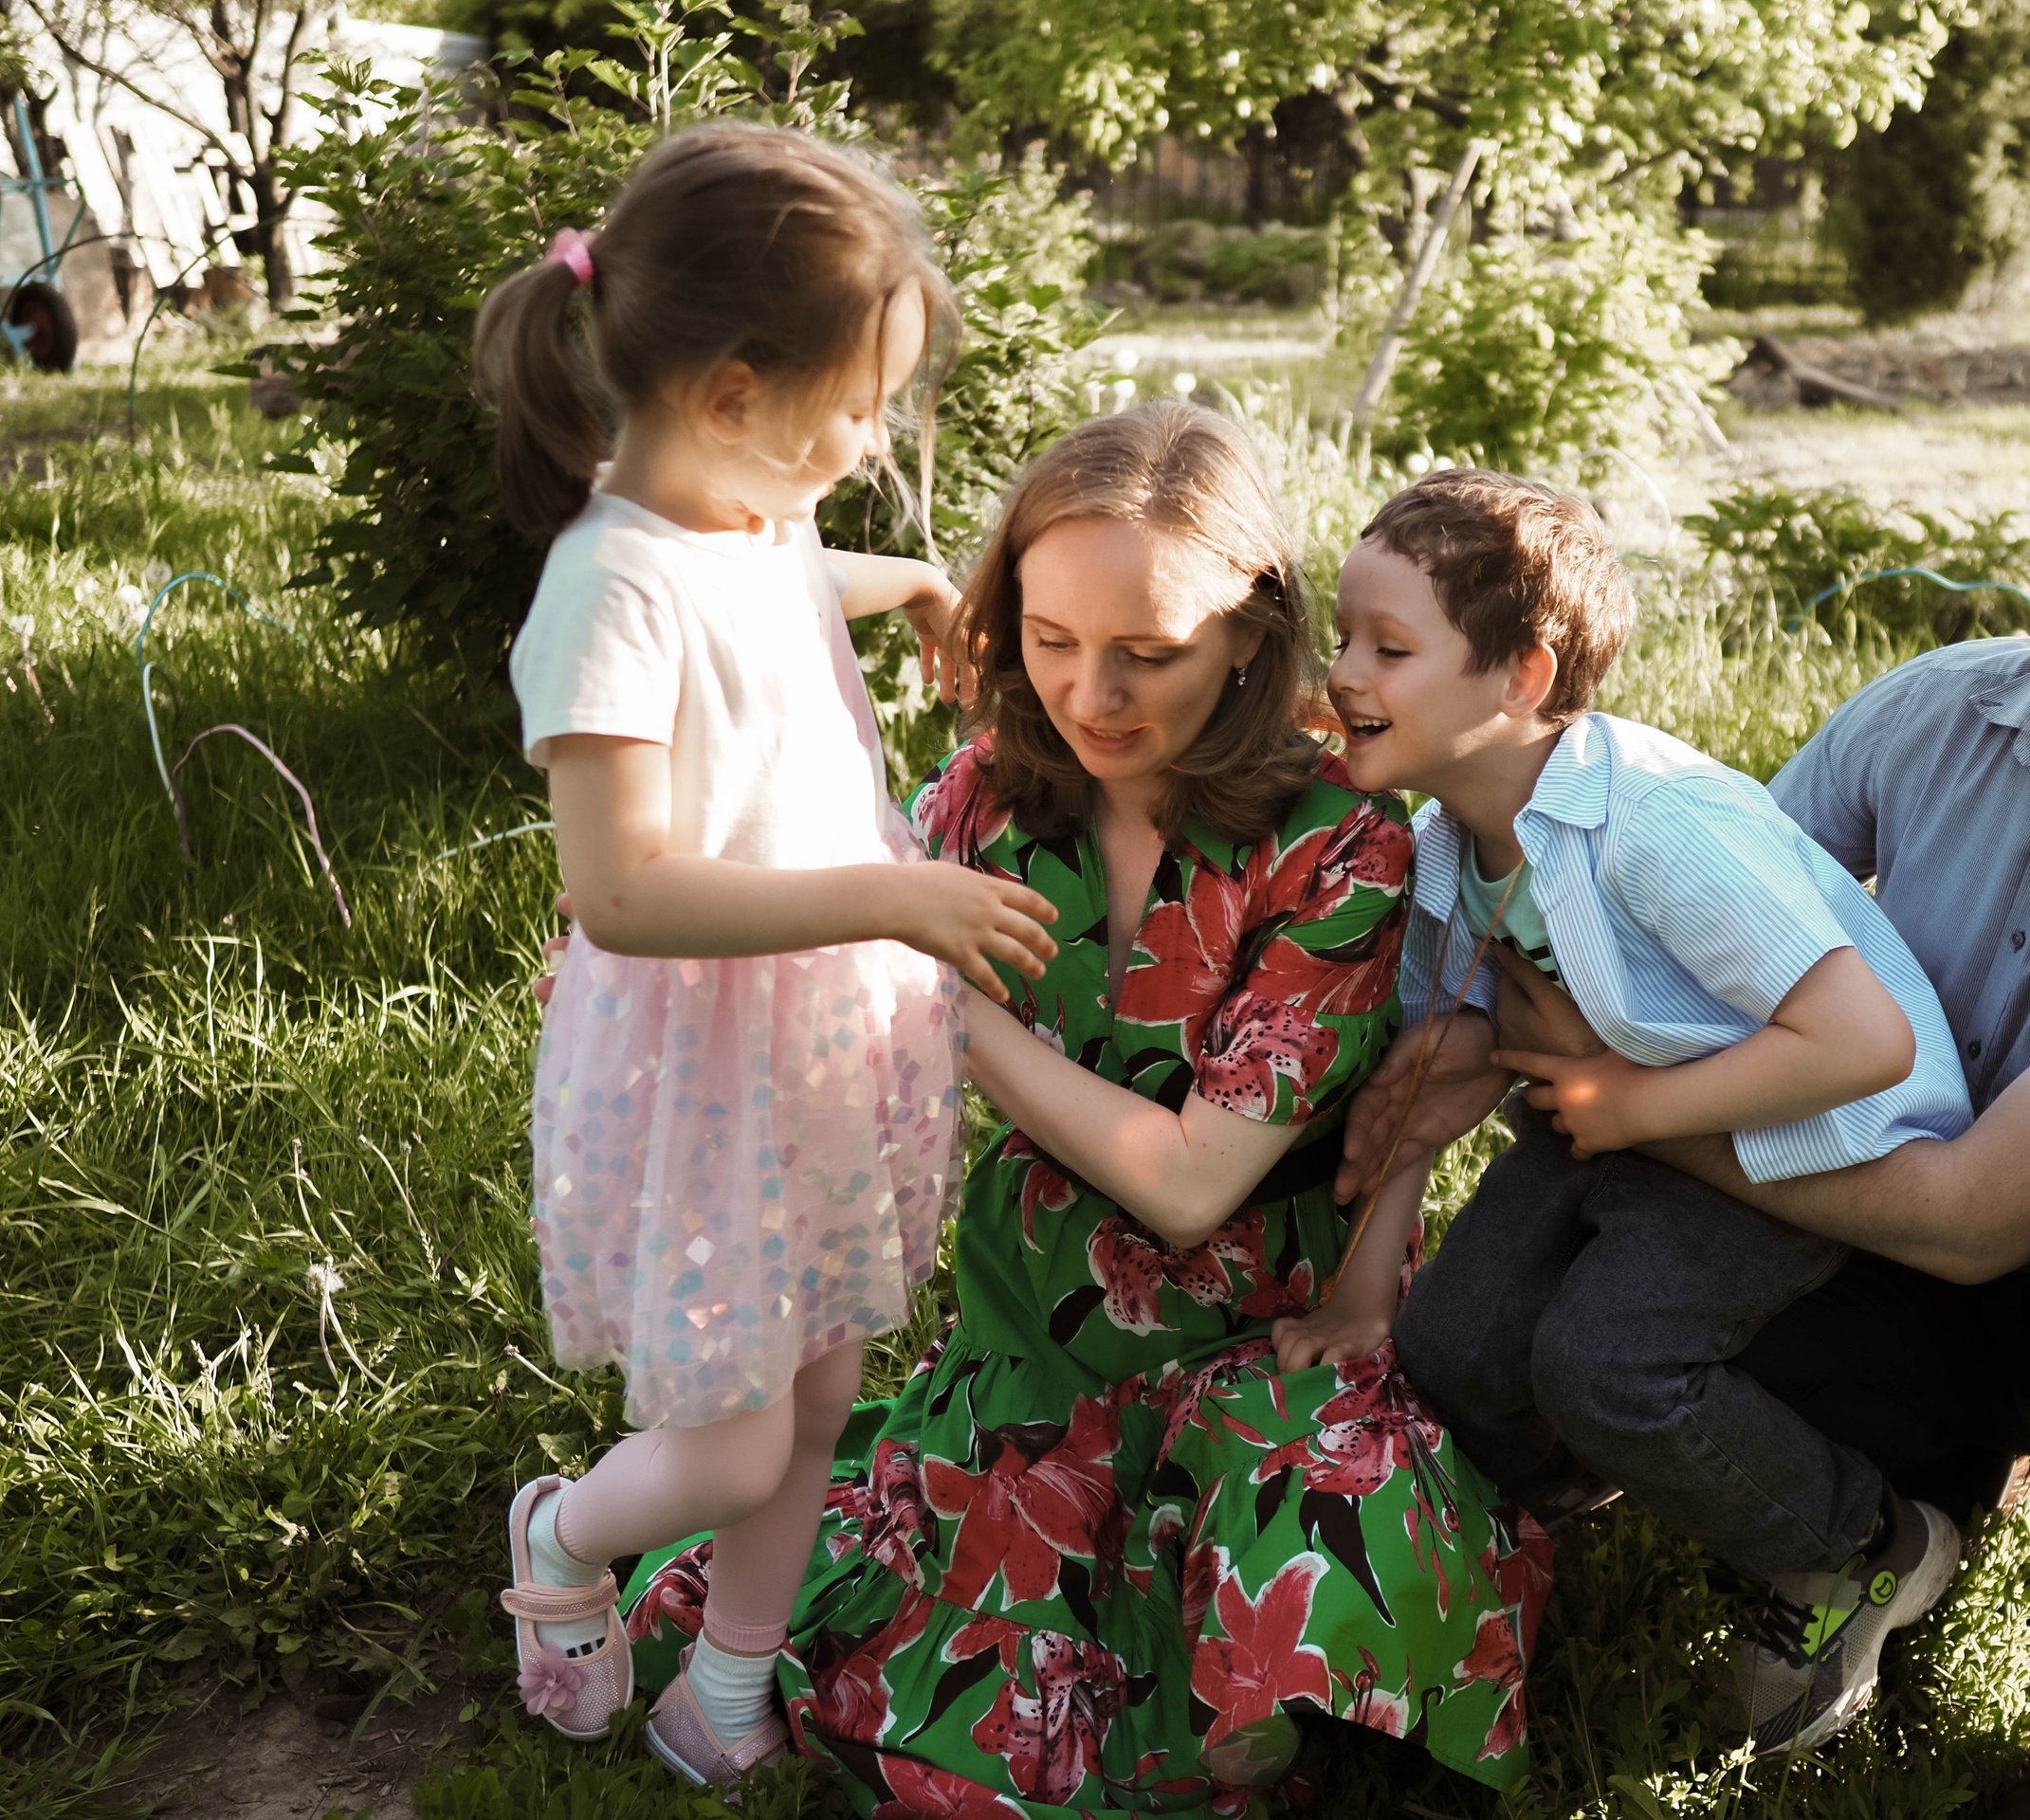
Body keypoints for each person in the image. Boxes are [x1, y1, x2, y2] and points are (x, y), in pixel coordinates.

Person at [1344, 312, 2030, 1818]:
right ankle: (1782, 1534)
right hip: (1904, 1215)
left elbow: (1982, 1218)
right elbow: (1689, 954)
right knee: (1535, 1321)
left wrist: (1610, 1102)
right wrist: (1502, 1057)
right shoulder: (1934, 708)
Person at [619, 402, 1556, 1815]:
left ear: (1250, 634)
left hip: (1270, 1325)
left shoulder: (1338, 841)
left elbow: (1189, 1186)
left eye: (1149, 652)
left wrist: (936, 997)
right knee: (914, 1677)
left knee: (1286, 1595)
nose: (1092, 695)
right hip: (1036, 1322)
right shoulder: (987, 800)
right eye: (1050, 641)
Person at [481, 126, 1060, 1789]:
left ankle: (732, 1670)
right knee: (731, 1434)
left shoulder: (748, 515)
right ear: (736, 395)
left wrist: (922, 585)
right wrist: (888, 899)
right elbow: (623, 890)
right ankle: (571, 1535)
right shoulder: (607, 589)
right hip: (708, 1066)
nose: (871, 440)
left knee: (816, 1388)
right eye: (859, 403)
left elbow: (797, 584)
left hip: (814, 1050)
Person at [1313, 467, 1977, 1752]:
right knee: (1449, 1347)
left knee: (1604, 1356)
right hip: (1617, 1113)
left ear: (1521, 679)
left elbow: (1862, 1040)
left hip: (1797, 1134)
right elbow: (1434, 1066)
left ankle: (1862, 1544)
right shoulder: (1452, 844)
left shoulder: (1654, 822)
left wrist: (1635, 1106)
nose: (1343, 673)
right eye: (1343, 639)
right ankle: (1577, 1489)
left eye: (1387, 647)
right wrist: (1359, 1290)